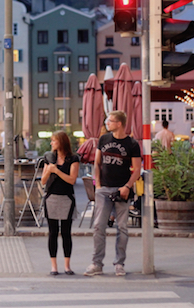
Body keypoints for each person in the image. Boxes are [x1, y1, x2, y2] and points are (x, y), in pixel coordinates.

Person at [84, 110, 141, 277]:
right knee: (98, 226)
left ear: (119, 124)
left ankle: (119, 263)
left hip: (121, 190)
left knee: (122, 228)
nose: (107, 123)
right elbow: (97, 163)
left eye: (110, 121)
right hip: (104, 189)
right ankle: (97, 263)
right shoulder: (103, 139)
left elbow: (137, 169)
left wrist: (127, 186)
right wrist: (98, 185)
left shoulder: (132, 144)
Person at [41, 131, 79, 276]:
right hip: (51, 197)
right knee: (52, 232)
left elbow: (72, 180)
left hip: (66, 198)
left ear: (61, 142)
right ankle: (54, 266)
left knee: (66, 232)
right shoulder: (49, 158)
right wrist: (49, 171)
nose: (51, 143)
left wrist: (56, 171)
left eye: (54, 141)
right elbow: (43, 181)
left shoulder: (73, 159)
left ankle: (67, 265)